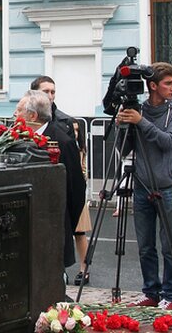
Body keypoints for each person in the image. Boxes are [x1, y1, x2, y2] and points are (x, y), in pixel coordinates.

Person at [116, 62, 172, 310]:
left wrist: (141, 122)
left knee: (170, 246)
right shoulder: (138, 109)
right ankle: (151, 292)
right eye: (168, 83)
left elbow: (167, 142)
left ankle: (171, 295)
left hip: (167, 186)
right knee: (145, 246)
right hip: (142, 185)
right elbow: (124, 150)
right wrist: (122, 126)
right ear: (153, 86)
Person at [14, 90, 86, 272]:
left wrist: (65, 220)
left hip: (53, 223)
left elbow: (76, 188)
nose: (15, 114)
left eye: (19, 110)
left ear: (32, 115)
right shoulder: (15, 137)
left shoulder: (62, 141)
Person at [72, 119, 92, 286]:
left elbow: (83, 169)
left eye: (78, 130)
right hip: (64, 192)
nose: (75, 133)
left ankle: (84, 269)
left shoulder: (80, 149)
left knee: (80, 233)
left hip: (77, 193)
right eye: (73, 130)